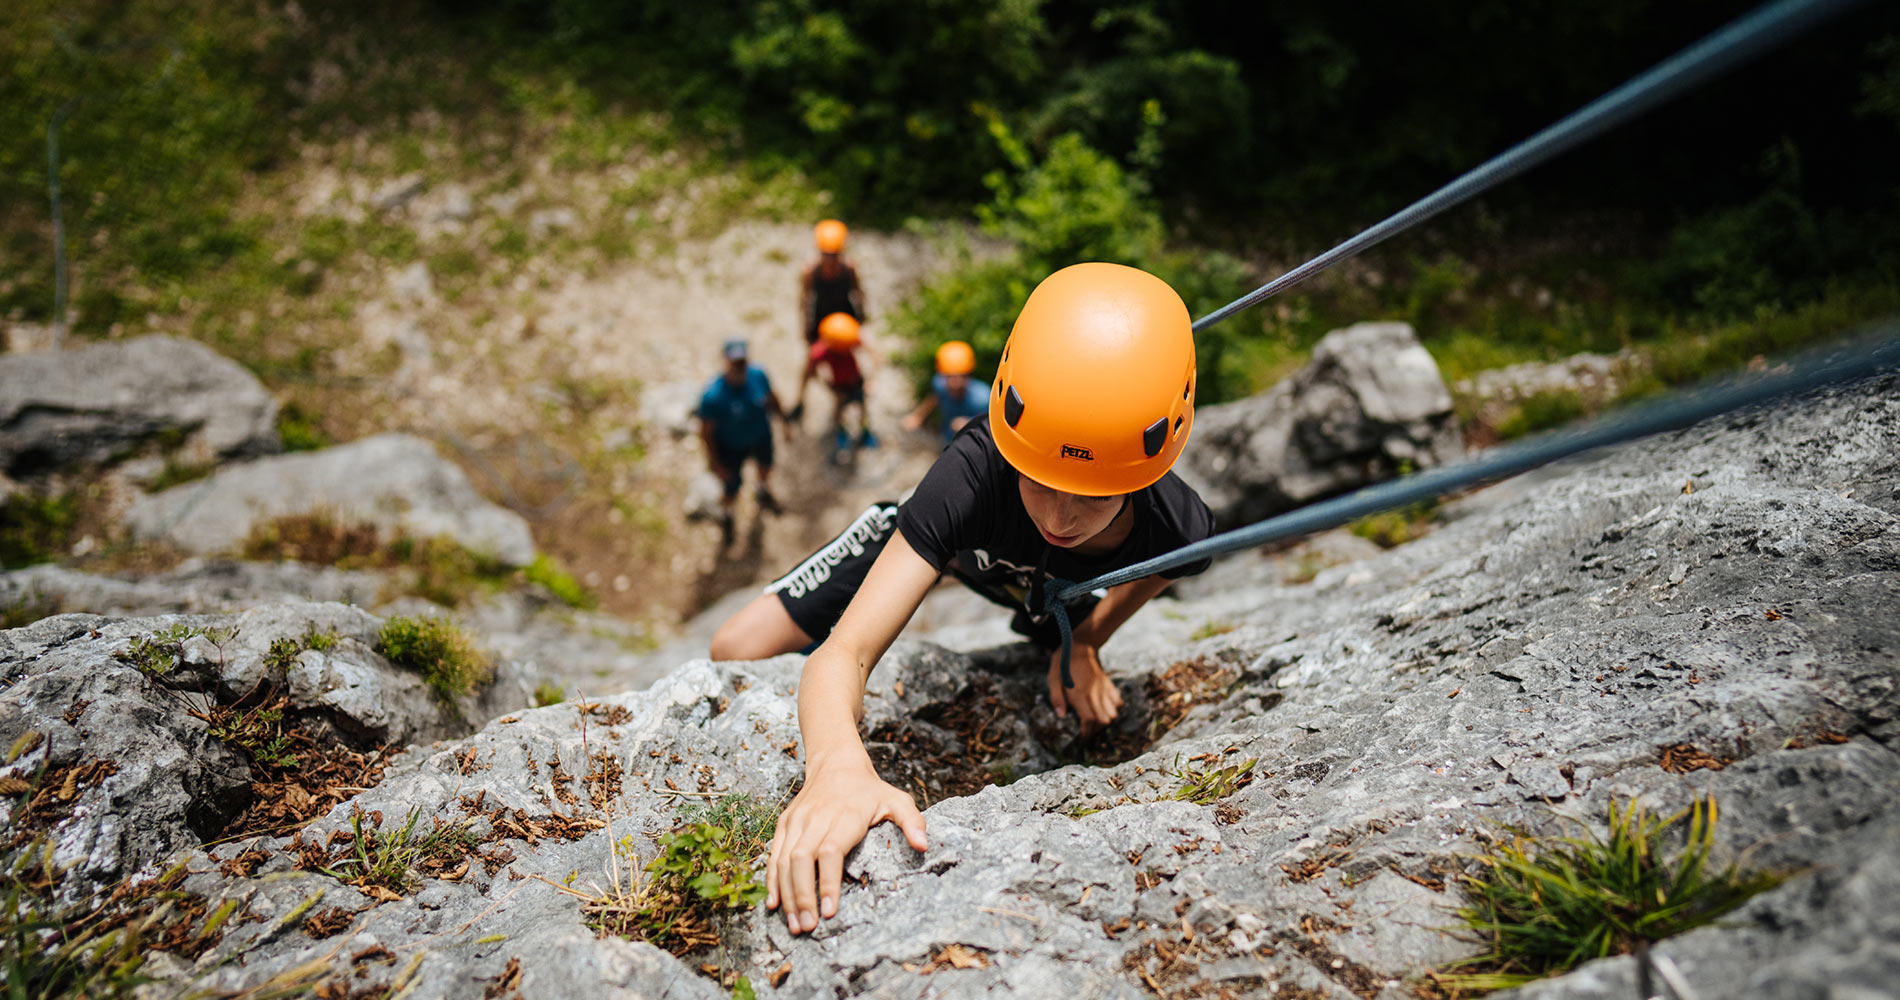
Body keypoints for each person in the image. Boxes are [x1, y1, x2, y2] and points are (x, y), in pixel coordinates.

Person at [708, 263, 1215, 936]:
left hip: (1037, 586)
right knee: (733, 648)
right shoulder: (971, 476)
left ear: (1153, 460)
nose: (1060, 515)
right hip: (945, 545)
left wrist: (1088, 642)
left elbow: (1160, 572)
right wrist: (836, 766)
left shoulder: (1177, 528)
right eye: (1038, 479)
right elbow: (846, 653)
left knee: (1048, 621)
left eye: (1090, 493)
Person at [697, 338, 794, 544]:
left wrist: (785, 422)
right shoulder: (713, 396)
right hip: (730, 448)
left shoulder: (758, 376)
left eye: (742, 361)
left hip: (760, 437)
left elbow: (772, 398)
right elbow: (706, 433)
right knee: (731, 487)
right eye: (735, 362)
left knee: (766, 467)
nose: (739, 367)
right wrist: (715, 463)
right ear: (725, 362)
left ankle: (762, 490)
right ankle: (727, 516)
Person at [794, 312, 878, 452]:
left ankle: (865, 432)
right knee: (840, 410)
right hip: (839, 385)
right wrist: (831, 389)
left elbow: (874, 354)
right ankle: (842, 432)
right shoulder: (820, 352)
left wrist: (871, 380)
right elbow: (813, 373)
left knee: (863, 408)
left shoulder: (848, 339)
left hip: (856, 380)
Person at [901, 340, 990, 448]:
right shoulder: (939, 384)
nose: (955, 383)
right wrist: (918, 417)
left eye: (961, 376)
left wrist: (969, 424)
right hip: (948, 439)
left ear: (969, 374)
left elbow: (992, 427)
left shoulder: (983, 398)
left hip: (974, 447)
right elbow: (934, 398)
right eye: (950, 376)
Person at [801, 219, 866, 345]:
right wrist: (806, 327)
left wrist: (861, 315)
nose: (830, 260)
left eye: (834, 255)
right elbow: (804, 301)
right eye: (826, 255)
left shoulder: (849, 268)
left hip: (845, 315)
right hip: (821, 317)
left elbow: (858, 292)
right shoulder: (810, 272)